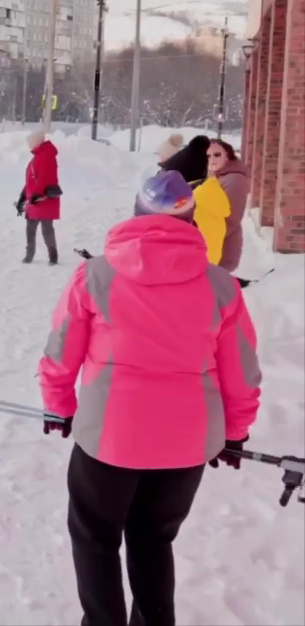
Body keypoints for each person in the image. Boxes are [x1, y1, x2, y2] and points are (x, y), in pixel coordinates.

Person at [37, 170, 262, 626]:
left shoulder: (95, 275)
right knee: (154, 539)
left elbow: (61, 351)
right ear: (191, 218)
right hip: (185, 443)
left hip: (108, 438)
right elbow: (242, 369)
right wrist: (235, 432)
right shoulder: (220, 286)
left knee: (95, 536)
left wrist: (59, 407)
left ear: (136, 213)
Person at [192, 139, 249, 272]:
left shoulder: (234, 180)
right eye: (208, 156)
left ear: (228, 156)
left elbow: (232, 219)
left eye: (217, 155)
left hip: (222, 248)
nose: (212, 159)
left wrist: (204, 239)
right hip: (212, 248)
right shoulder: (219, 176)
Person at [16, 130, 61, 265]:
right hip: (35, 198)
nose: (28, 145)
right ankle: (29, 254)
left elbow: (45, 177)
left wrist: (36, 194)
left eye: (30, 142)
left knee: (46, 229)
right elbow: (31, 179)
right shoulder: (38, 155)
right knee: (31, 228)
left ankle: (53, 256)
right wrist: (23, 195)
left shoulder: (46, 155)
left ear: (37, 142)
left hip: (43, 198)